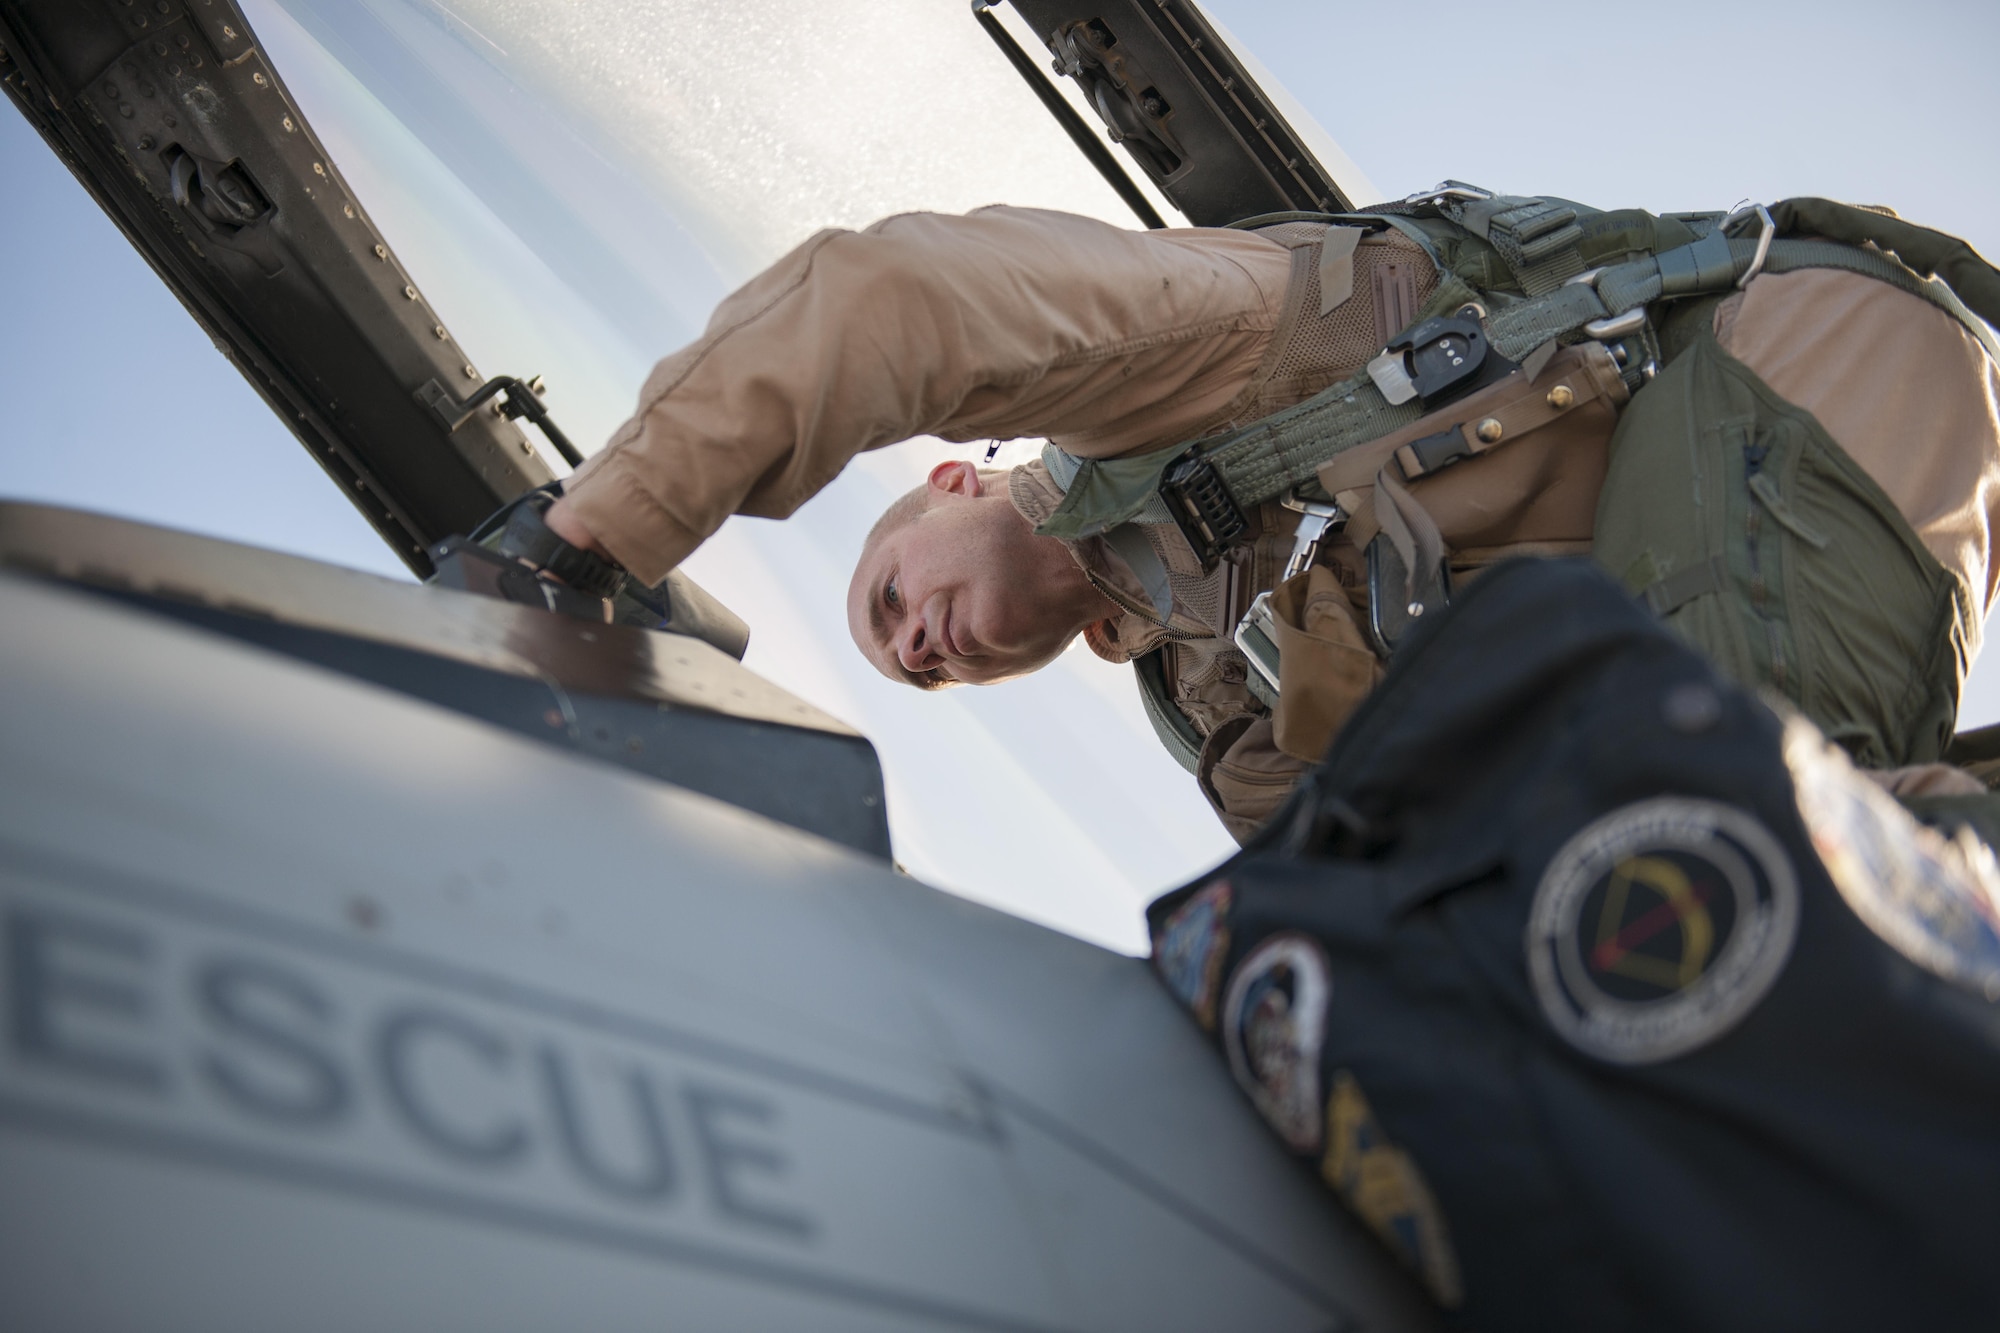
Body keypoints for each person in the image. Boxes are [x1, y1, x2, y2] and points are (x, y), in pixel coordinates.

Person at [543, 199, 2000, 841]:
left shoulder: (1165, 380)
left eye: (892, 607)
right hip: (1652, 574)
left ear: (952, 483)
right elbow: (1356, 870)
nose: (925, 644)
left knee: (1760, 847)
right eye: (924, 669)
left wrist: (585, 545)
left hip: (1774, 369)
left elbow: (887, 299)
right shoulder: (1204, 682)